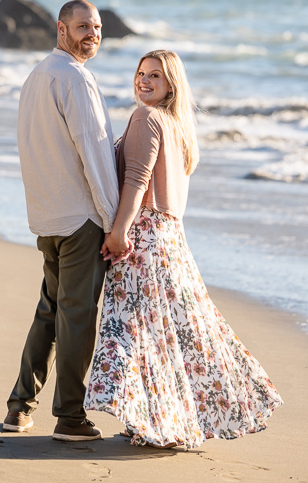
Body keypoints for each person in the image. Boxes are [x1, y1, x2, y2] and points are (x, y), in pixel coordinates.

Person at [85, 49, 283, 449]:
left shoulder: (147, 117)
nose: (144, 81)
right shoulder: (179, 126)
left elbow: (137, 181)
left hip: (145, 234)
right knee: (173, 331)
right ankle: (160, 419)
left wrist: (119, 231)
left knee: (135, 327)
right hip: (173, 237)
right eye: (141, 73)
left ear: (171, 84)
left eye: (155, 76)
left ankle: (153, 419)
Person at [3, 0, 127, 442]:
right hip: (80, 219)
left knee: (49, 311)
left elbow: (29, 145)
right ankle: (70, 418)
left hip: (47, 215)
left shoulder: (37, 76)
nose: (91, 34)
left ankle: (19, 407)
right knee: (76, 317)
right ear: (61, 29)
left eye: (96, 27)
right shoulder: (75, 78)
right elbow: (94, 155)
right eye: (82, 27)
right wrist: (115, 224)